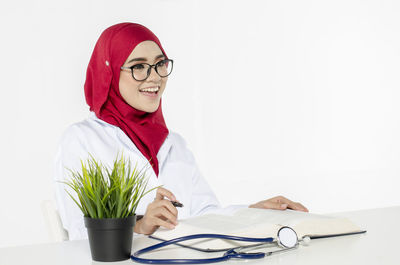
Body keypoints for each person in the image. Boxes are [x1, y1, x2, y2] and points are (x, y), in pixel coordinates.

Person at [54, 22, 308, 240]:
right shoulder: (82, 140)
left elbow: (204, 215)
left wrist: (253, 211)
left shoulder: (173, 143)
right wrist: (141, 226)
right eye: (138, 66)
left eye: (160, 64)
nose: (154, 77)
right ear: (109, 72)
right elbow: (80, 234)